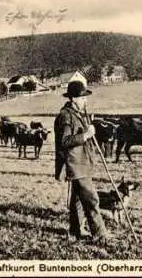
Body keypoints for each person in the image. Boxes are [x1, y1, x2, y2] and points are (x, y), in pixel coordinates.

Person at [54, 80, 109, 244]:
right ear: (73, 99)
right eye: (83, 97)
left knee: (78, 200)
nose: (86, 100)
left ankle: (75, 231)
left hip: (82, 163)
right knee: (91, 199)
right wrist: (85, 135)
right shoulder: (66, 116)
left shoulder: (77, 114)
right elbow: (65, 141)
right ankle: (100, 235)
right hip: (75, 164)